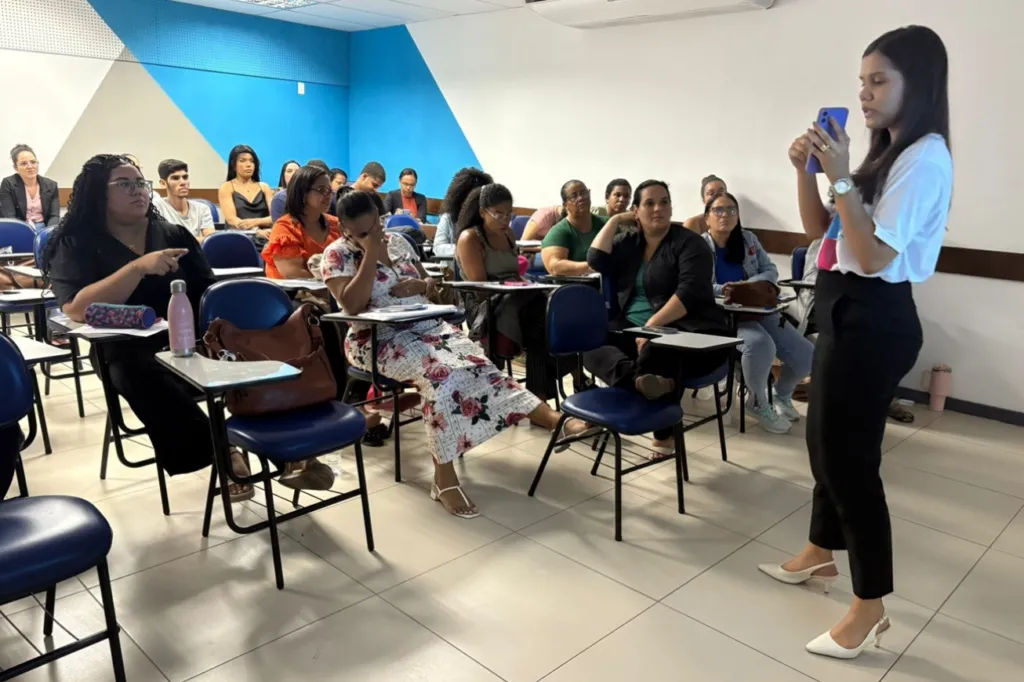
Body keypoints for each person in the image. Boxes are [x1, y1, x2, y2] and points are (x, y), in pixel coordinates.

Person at [758, 26, 953, 659]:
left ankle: (870, 605)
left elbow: (871, 258)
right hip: (846, 309)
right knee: (825, 444)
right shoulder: (884, 155)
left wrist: (841, 176)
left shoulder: (925, 159)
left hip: (876, 318)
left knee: (849, 463)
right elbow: (820, 233)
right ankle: (820, 551)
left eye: (879, 81)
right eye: (861, 82)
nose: (864, 94)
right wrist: (807, 172)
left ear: (917, 85)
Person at [43, 155, 336, 501]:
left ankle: (288, 449)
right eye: (124, 184)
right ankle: (223, 450)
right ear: (97, 193)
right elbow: (76, 308)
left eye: (140, 183)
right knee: (137, 371)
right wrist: (137, 268)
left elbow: (208, 293)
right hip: (125, 347)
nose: (137, 191)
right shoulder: (75, 241)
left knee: (265, 343)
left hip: (192, 336)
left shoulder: (172, 233)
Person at [323, 191, 592, 518]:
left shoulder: (399, 242)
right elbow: (351, 305)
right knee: (439, 377)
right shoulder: (336, 255)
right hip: (377, 338)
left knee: (480, 365)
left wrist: (420, 286)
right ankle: (444, 478)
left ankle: (553, 421)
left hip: (427, 326)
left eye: (375, 228)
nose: (371, 235)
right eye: (361, 233)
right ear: (346, 230)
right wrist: (369, 252)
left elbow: (428, 283)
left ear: (382, 220)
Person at [584, 180, 732, 457]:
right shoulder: (630, 242)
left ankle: (663, 433)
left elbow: (689, 293)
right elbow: (595, 259)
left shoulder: (690, 243)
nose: (658, 208)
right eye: (649, 203)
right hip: (632, 330)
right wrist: (615, 220)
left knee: (659, 350)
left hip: (690, 332)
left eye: (664, 202)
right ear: (635, 211)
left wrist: (651, 327)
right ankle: (642, 383)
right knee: (589, 344)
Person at [702, 191, 813, 434]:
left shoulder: (748, 239)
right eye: (718, 210)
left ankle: (781, 394)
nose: (725, 215)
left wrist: (746, 287)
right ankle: (757, 402)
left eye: (731, 210)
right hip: (724, 316)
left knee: (806, 355)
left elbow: (770, 270)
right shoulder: (700, 246)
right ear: (707, 217)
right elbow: (700, 285)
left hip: (759, 310)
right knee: (760, 345)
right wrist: (732, 290)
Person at [457, 183, 562, 402]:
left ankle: (537, 398)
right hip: (484, 305)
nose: (505, 220)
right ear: (482, 212)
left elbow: (515, 274)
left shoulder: (509, 234)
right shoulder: (470, 239)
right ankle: (539, 397)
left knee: (549, 312)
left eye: (509, 214)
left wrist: (529, 286)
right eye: (498, 214)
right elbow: (480, 287)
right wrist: (513, 288)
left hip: (514, 298)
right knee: (541, 323)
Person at [262, 165, 341, 280]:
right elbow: (293, 274)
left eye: (330, 191)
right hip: (294, 290)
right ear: (303, 193)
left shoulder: (336, 224)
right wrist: (337, 283)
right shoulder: (285, 228)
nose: (328, 196)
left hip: (334, 287)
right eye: (322, 190)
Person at [541, 179, 607, 276]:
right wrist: (595, 267)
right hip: (575, 284)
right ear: (565, 205)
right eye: (574, 196)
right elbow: (555, 267)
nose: (581, 198)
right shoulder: (558, 232)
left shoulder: (606, 223)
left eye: (584, 193)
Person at [433, 167, 493, 258]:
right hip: (452, 266)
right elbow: (438, 248)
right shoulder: (448, 218)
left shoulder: (488, 219)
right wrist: (465, 248)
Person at [151, 159, 214, 242]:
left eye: (185, 177)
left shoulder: (202, 208)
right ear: (163, 183)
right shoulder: (156, 207)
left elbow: (211, 240)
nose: (183, 182)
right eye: (175, 178)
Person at [218, 145, 275, 235]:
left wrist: (255, 222)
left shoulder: (265, 187)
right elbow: (232, 220)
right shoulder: (226, 187)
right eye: (242, 160)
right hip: (239, 236)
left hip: (266, 234)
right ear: (234, 166)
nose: (248, 165)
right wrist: (256, 231)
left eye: (251, 161)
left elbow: (274, 217)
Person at [0, 144, 60, 228]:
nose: (30, 166)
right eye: (24, 164)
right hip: (20, 227)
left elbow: (54, 216)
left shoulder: (51, 185)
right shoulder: (8, 183)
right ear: (16, 168)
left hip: (43, 227)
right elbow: (10, 217)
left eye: (33, 162)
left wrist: (49, 232)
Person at [271, 159, 336, 224]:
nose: (293, 173)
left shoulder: (333, 199)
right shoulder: (280, 198)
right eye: (289, 171)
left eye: (297, 171)